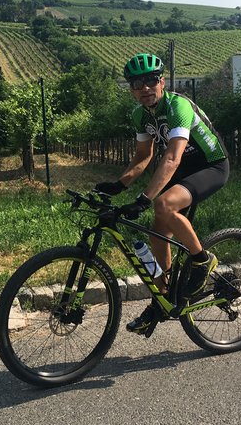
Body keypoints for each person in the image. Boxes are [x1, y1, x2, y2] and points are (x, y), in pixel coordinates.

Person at [95, 52, 229, 336]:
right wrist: (120, 185)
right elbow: (143, 157)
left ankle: (202, 260)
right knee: (157, 234)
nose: (144, 88)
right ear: (131, 89)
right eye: (136, 83)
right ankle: (164, 298)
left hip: (210, 165)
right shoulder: (139, 115)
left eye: (150, 80)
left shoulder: (177, 105)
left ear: (162, 82)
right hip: (182, 170)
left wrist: (144, 199)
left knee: (163, 205)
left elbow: (172, 157)